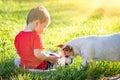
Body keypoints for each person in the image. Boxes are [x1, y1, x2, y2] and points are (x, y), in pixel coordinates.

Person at [14, 6, 58, 70]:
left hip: (24, 66)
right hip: (38, 66)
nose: (44, 30)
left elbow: (18, 51)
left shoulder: (18, 36)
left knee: (47, 53)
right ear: (37, 23)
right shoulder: (36, 36)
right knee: (55, 58)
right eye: (44, 27)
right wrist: (50, 58)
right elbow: (39, 54)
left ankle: (49, 54)